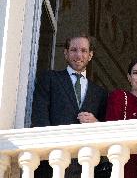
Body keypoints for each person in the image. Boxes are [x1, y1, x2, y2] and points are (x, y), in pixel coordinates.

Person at [31, 34, 108, 178]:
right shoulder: (49, 79)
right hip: (51, 163)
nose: (79, 55)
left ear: (90, 55)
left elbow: (106, 128)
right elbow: (40, 117)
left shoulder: (100, 93)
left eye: (84, 51)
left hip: (84, 167)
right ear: (66, 53)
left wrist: (96, 122)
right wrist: (48, 152)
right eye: (74, 50)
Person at [105, 57, 137, 178]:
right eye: (135, 73)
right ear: (129, 77)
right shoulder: (120, 96)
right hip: (124, 165)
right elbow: (111, 128)